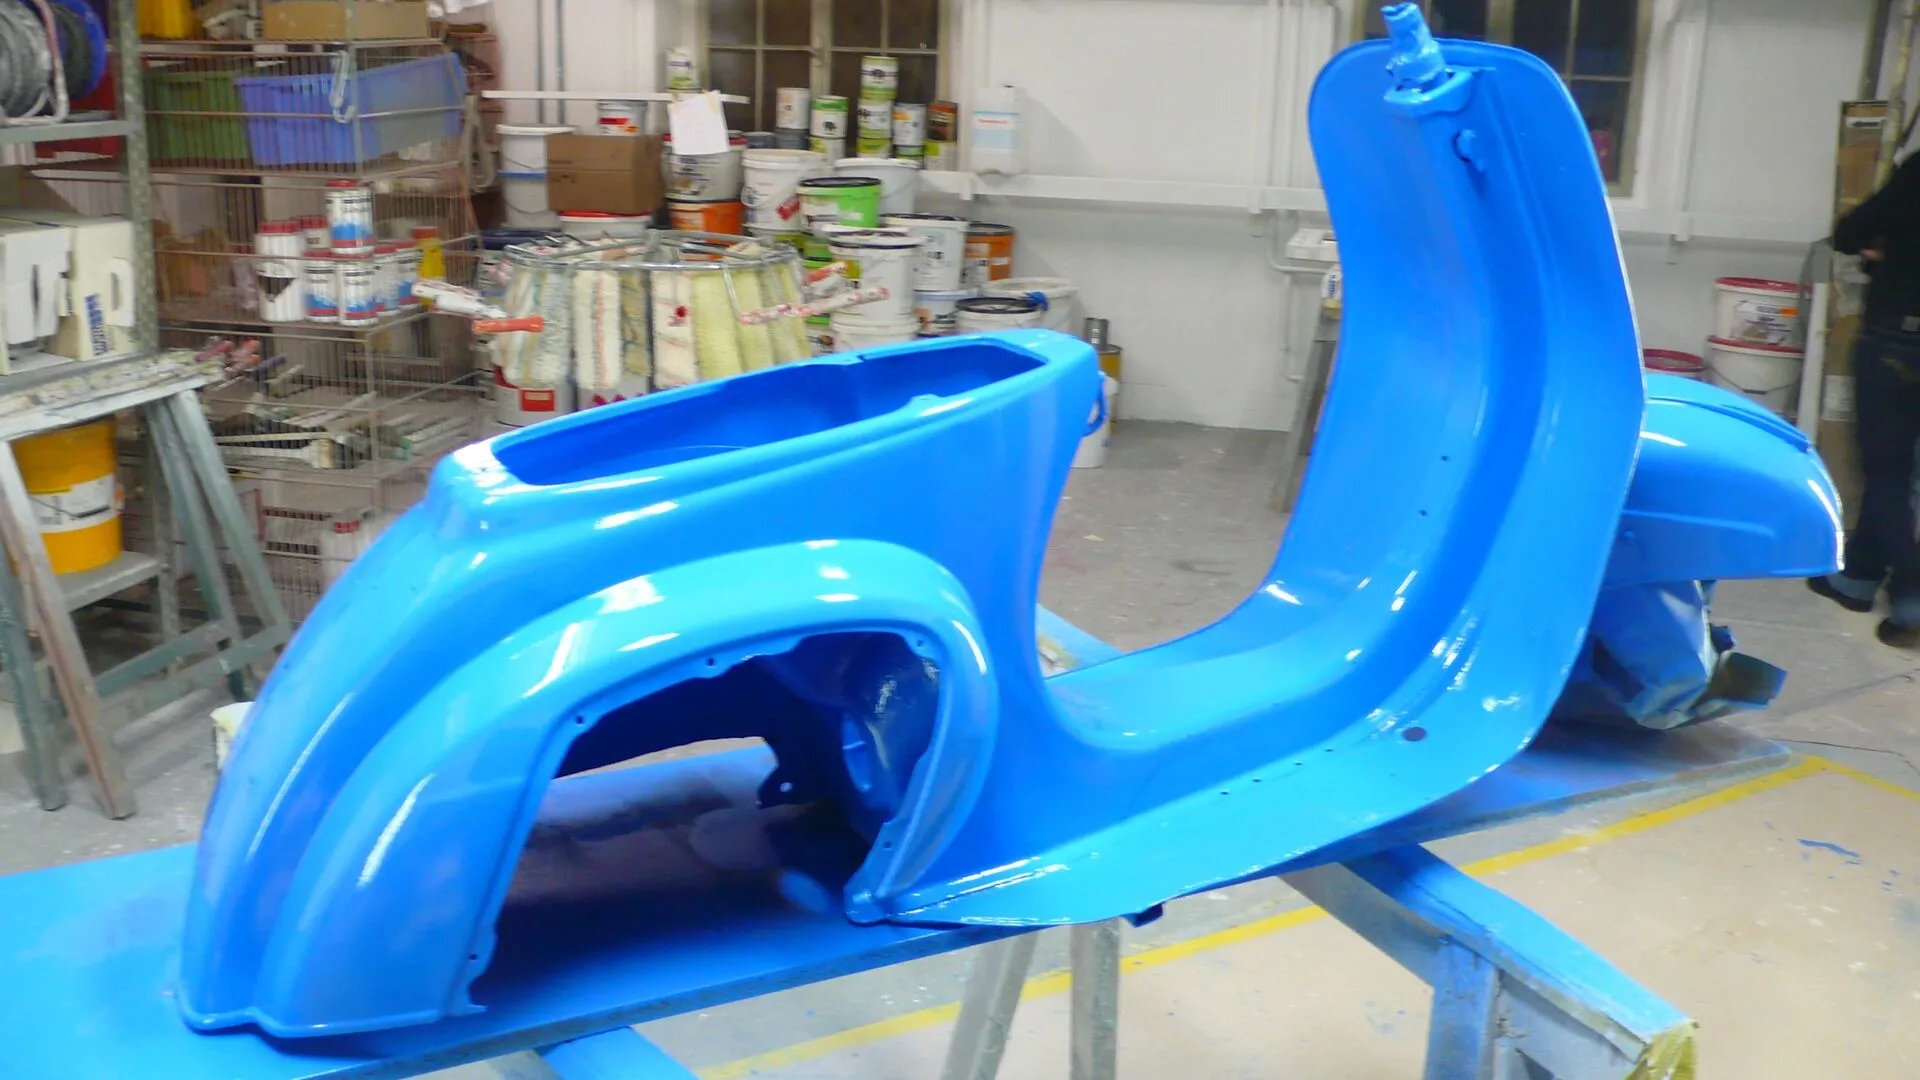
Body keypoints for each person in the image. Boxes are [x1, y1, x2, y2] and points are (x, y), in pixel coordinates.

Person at [1808, 153, 1920, 647]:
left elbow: (1851, 232)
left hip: (1902, 336)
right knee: (1899, 473)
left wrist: (1890, 245)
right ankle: (1858, 577)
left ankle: (1913, 597)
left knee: (1889, 471)